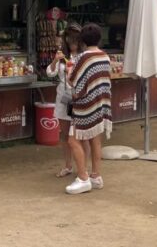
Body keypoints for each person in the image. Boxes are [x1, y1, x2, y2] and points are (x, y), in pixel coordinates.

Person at [64, 23, 113, 195]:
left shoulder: (83, 58)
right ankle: (96, 176)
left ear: (82, 40)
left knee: (73, 140)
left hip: (85, 106)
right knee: (95, 140)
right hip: (100, 104)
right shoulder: (105, 57)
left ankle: (83, 178)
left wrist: (69, 72)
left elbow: (73, 81)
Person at [45, 23, 88, 178]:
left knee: (81, 135)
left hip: (79, 98)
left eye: (75, 41)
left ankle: (83, 167)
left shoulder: (84, 56)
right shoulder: (62, 56)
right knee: (64, 134)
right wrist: (56, 60)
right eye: (69, 41)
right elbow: (50, 73)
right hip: (63, 98)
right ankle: (68, 165)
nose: (72, 44)